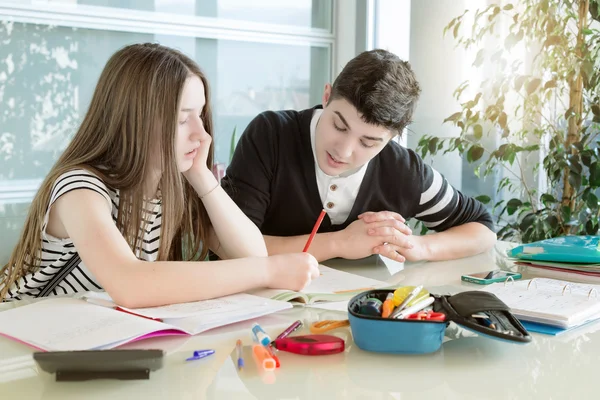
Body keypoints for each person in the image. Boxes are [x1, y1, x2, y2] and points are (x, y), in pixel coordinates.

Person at [0, 43, 319, 306]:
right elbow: (131, 285)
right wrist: (268, 270)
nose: (201, 134)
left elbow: (250, 253)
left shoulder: (171, 187)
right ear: (134, 122)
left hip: (89, 343)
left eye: (200, 115)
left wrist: (202, 178)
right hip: (20, 345)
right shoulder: (80, 189)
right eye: (182, 120)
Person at [221, 49, 496, 264]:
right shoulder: (271, 137)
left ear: (392, 138)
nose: (343, 150)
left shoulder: (402, 171)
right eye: (339, 126)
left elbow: (482, 228)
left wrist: (417, 246)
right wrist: (340, 243)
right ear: (327, 96)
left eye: (368, 142)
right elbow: (229, 246)